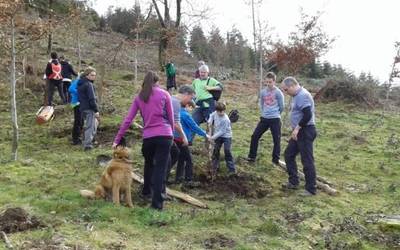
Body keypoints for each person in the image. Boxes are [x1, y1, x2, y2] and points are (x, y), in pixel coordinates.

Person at [113, 71, 174, 210]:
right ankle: (157, 204)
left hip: (149, 137)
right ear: (156, 82)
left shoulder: (139, 97)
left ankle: (146, 191)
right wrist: (171, 135)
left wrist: (117, 139)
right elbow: (171, 118)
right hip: (165, 135)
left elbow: (128, 119)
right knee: (160, 169)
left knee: (148, 164)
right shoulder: (165, 94)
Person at [280, 76, 317, 196]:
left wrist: (297, 128)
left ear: (292, 86)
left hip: (305, 131)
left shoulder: (303, 96)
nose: (285, 92)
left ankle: (311, 189)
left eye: (286, 90)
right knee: (289, 154)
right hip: (300, 131)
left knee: (307, 160)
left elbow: (307, 115)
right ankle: (294, 182)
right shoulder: (296, 96)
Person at [246, 72, 284, 165]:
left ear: (274, 81)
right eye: (266, 82)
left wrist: (275, 114)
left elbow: (282, 106)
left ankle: (275, 160)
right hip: (264, 119)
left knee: (276, 139)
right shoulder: (263, 92)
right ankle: (252, 157)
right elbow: (262, 104)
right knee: (255, 136)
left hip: (275, 119)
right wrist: (264, 113)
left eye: (270, 82)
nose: (268, 84)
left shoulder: (278, 93)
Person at [166, 85, 195, 184]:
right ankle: (161, 182)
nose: (190, 101)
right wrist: (184, 137)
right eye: (191, 98)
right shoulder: (175, 103)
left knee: (174, 155)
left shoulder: (170, 99)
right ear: (186, 94)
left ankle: (163, 181)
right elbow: (176, 123)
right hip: (167, 135)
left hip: (166, 134)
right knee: (171, 157)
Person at [176, 101, 209, 183]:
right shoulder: (186, 115)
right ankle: (189, 179)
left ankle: (178, 178)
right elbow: (194, 127)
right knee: (189, 159)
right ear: (187, 105)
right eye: (191, 108)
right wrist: (205, 134)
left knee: (181, 158)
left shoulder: (176, 112)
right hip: (182, 140)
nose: (191, 110)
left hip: (174, 139)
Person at [208, 102, 236, 174]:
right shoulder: (215, 113)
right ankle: (215, 166)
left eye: (223, 111)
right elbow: (212, 115)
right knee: (216, 150)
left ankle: (231, 169)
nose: (222, 112)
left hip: (226, 136)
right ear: (217, 110)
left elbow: (222, 131)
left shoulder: (226, 119)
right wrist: (210, 121)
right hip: (217, 136)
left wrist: (212, 137)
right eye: (220, 111)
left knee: (227, 150)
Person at [77, 67, 99, 151]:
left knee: (94, 123)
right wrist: (96, 110)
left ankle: (88, 140)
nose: (94, 77)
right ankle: (87, 145)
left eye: (94, 75)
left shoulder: (80, 83)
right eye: (92, 75)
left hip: (82, 108)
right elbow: (92, 99)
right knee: (90, 126)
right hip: (89, 108)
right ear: (87, 75)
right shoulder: (89, 84)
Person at [68, 75, 82, 145]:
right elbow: (70, 88)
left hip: (81, 103)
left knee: (81, 121)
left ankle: (78, 137)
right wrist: (79, 92)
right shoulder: (78, 80)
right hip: (76, 103)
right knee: (78, 121)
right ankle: (75, 139)